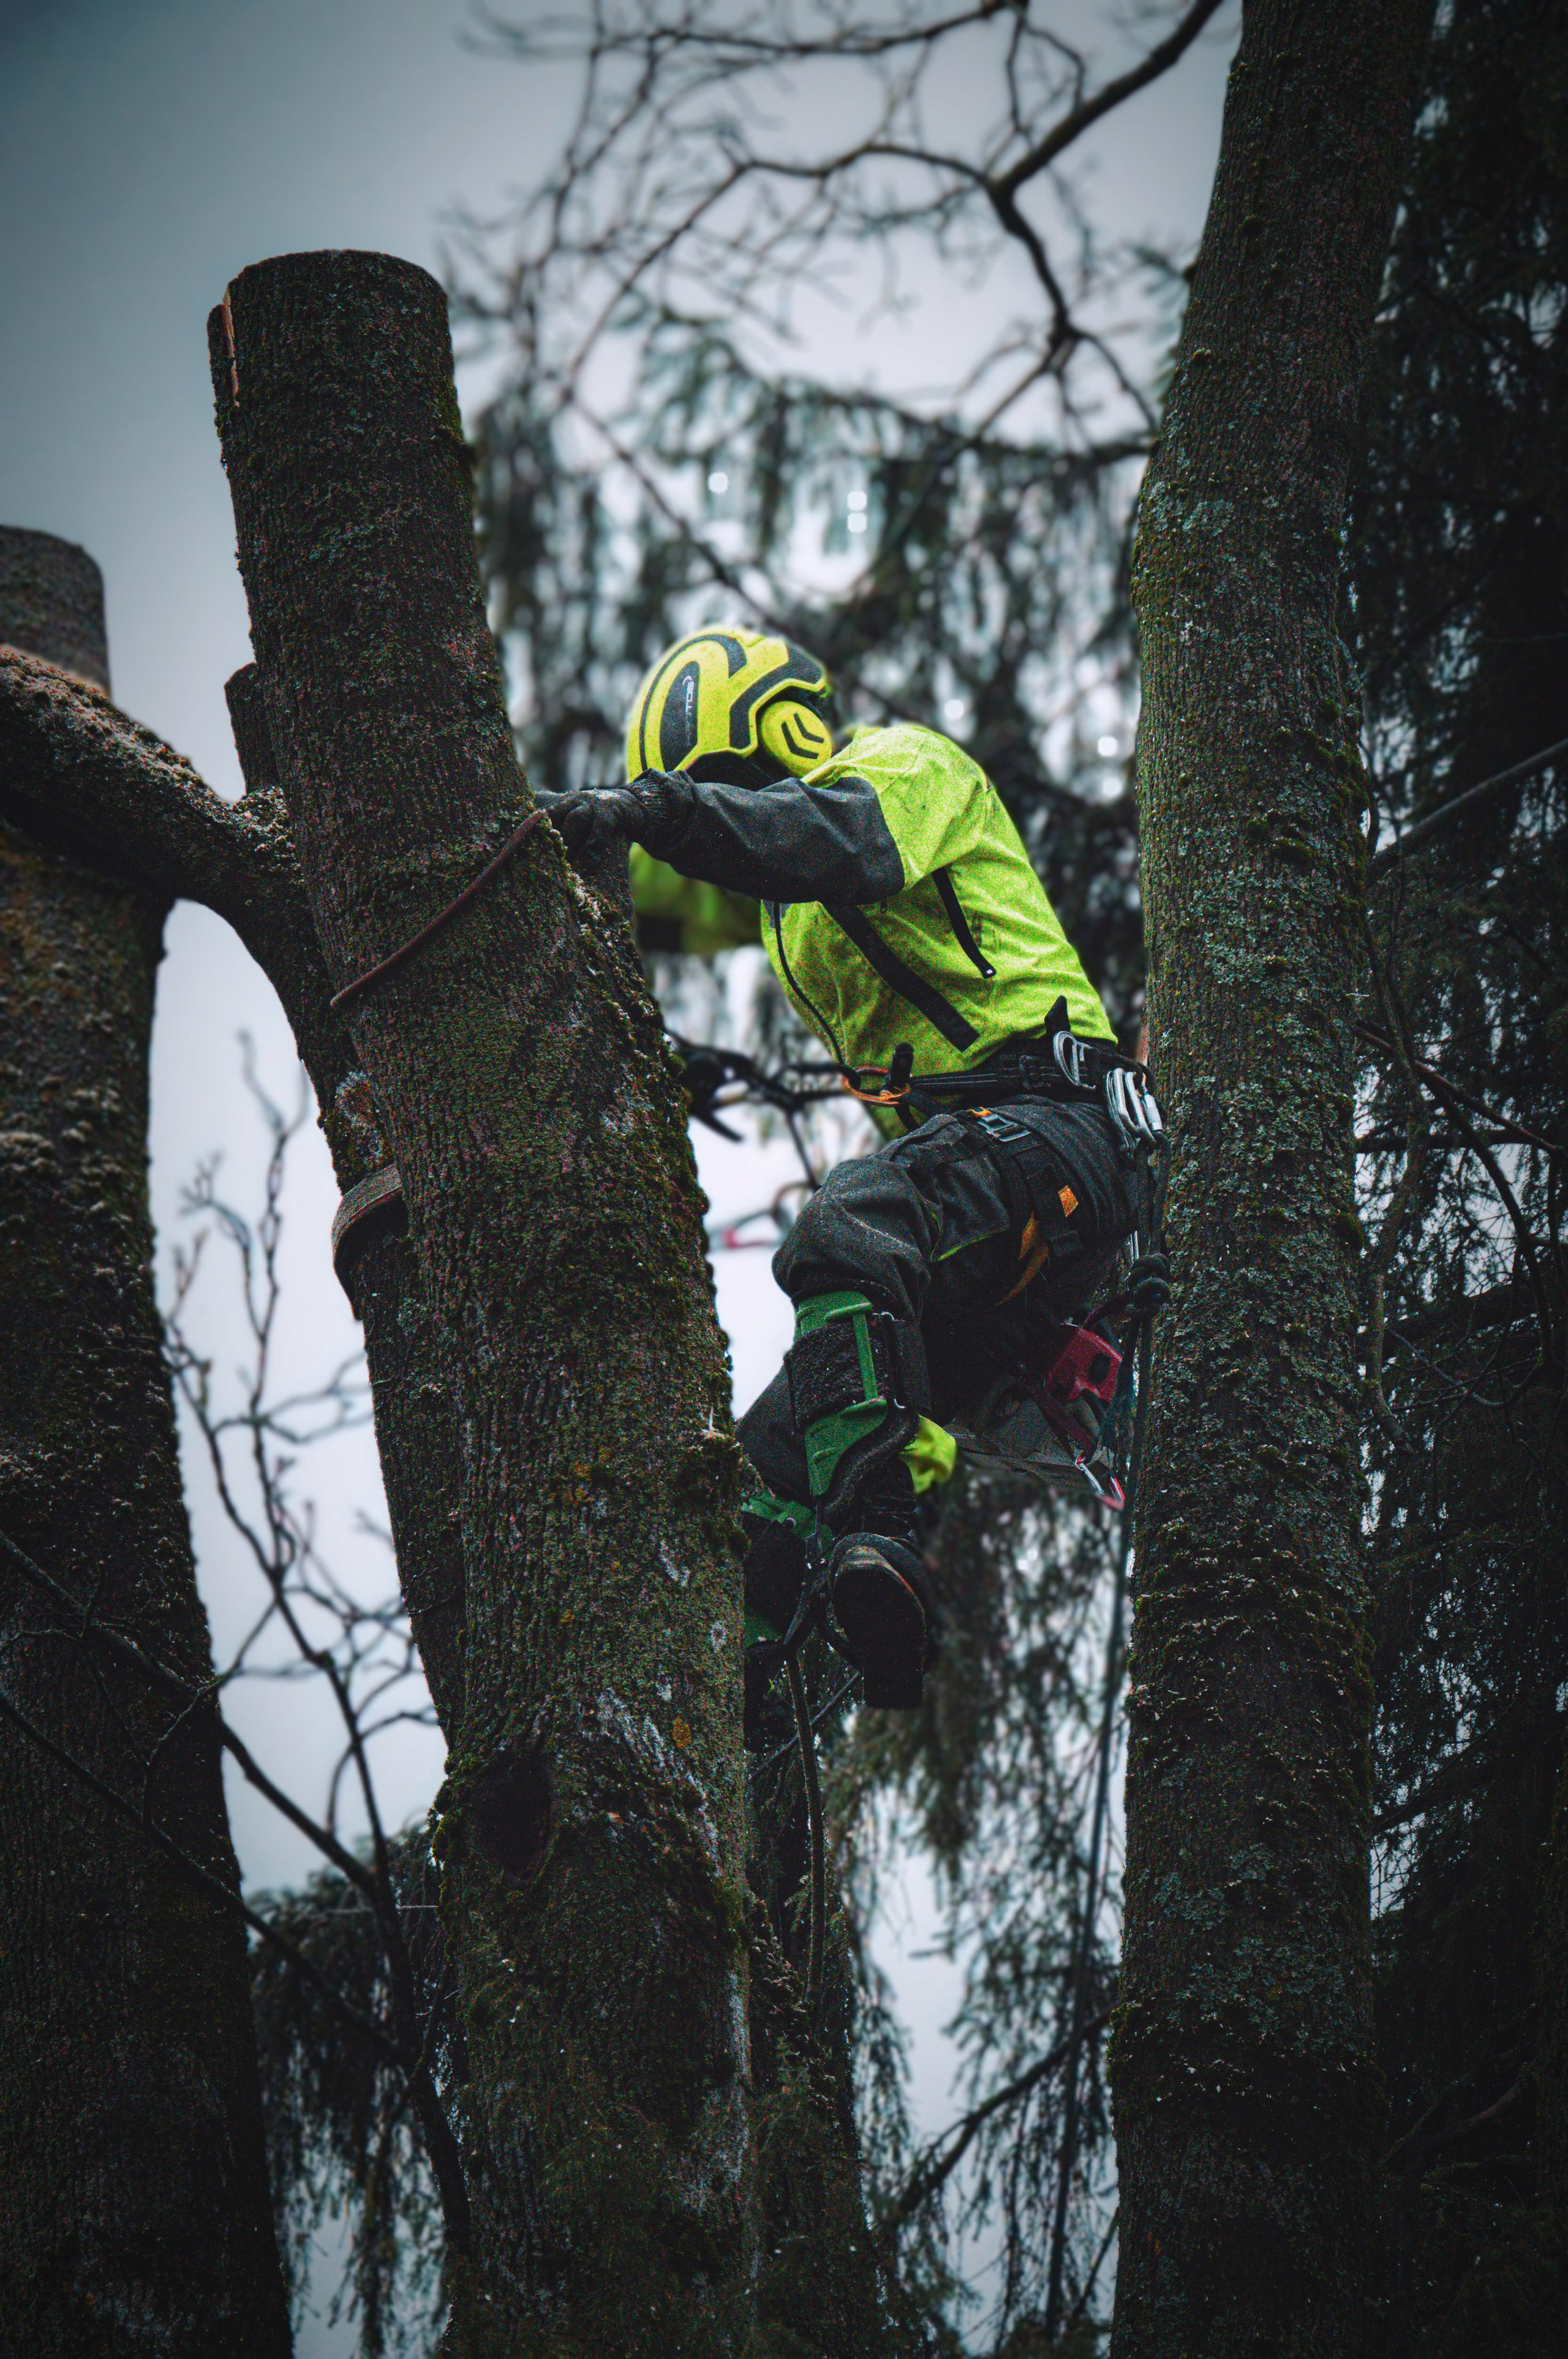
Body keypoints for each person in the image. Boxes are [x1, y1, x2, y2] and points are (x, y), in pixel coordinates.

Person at [546, 627, 1158, 1738]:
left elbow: (821, 840)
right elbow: (673, 900)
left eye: (725, 783)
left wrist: (661, 810)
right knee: (765, 1468)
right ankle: (742, 1722)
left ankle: (882, 1534)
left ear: (785, 725)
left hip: (1062, 1133)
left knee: (844, 1226)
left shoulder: (906, 772)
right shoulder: (775, 901)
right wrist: (553, 833)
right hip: (979, 1230)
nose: (726, 811)